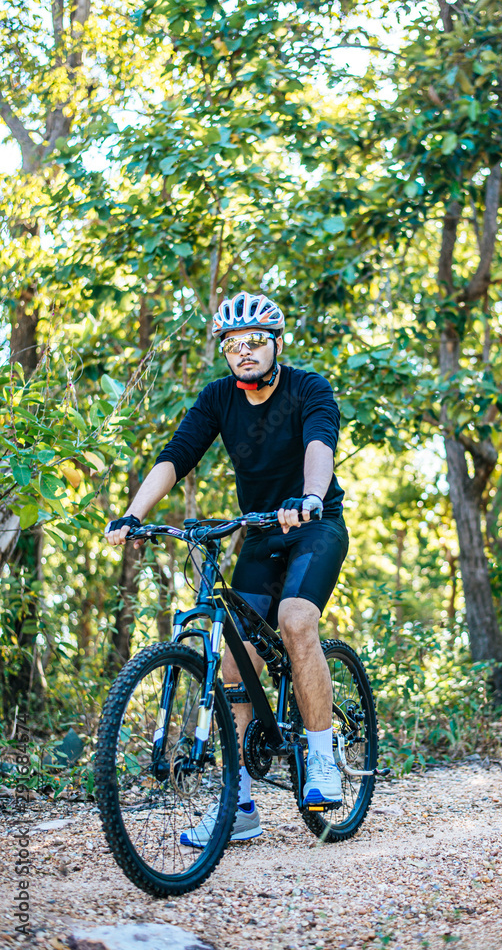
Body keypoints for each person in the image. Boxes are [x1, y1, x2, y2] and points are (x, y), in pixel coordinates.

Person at [104, 291, 349, 846]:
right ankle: (238, 806)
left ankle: (321, 756)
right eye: (233, 344)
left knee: (294, 621)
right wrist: (133, 514)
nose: (244, 351)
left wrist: (310, 497)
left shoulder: (309, 388)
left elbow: (319, 444)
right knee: (236, 663)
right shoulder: (219, 398)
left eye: (255, 341)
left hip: (314, 524)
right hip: (260, 532)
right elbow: (177, 454)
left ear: (275, 344)